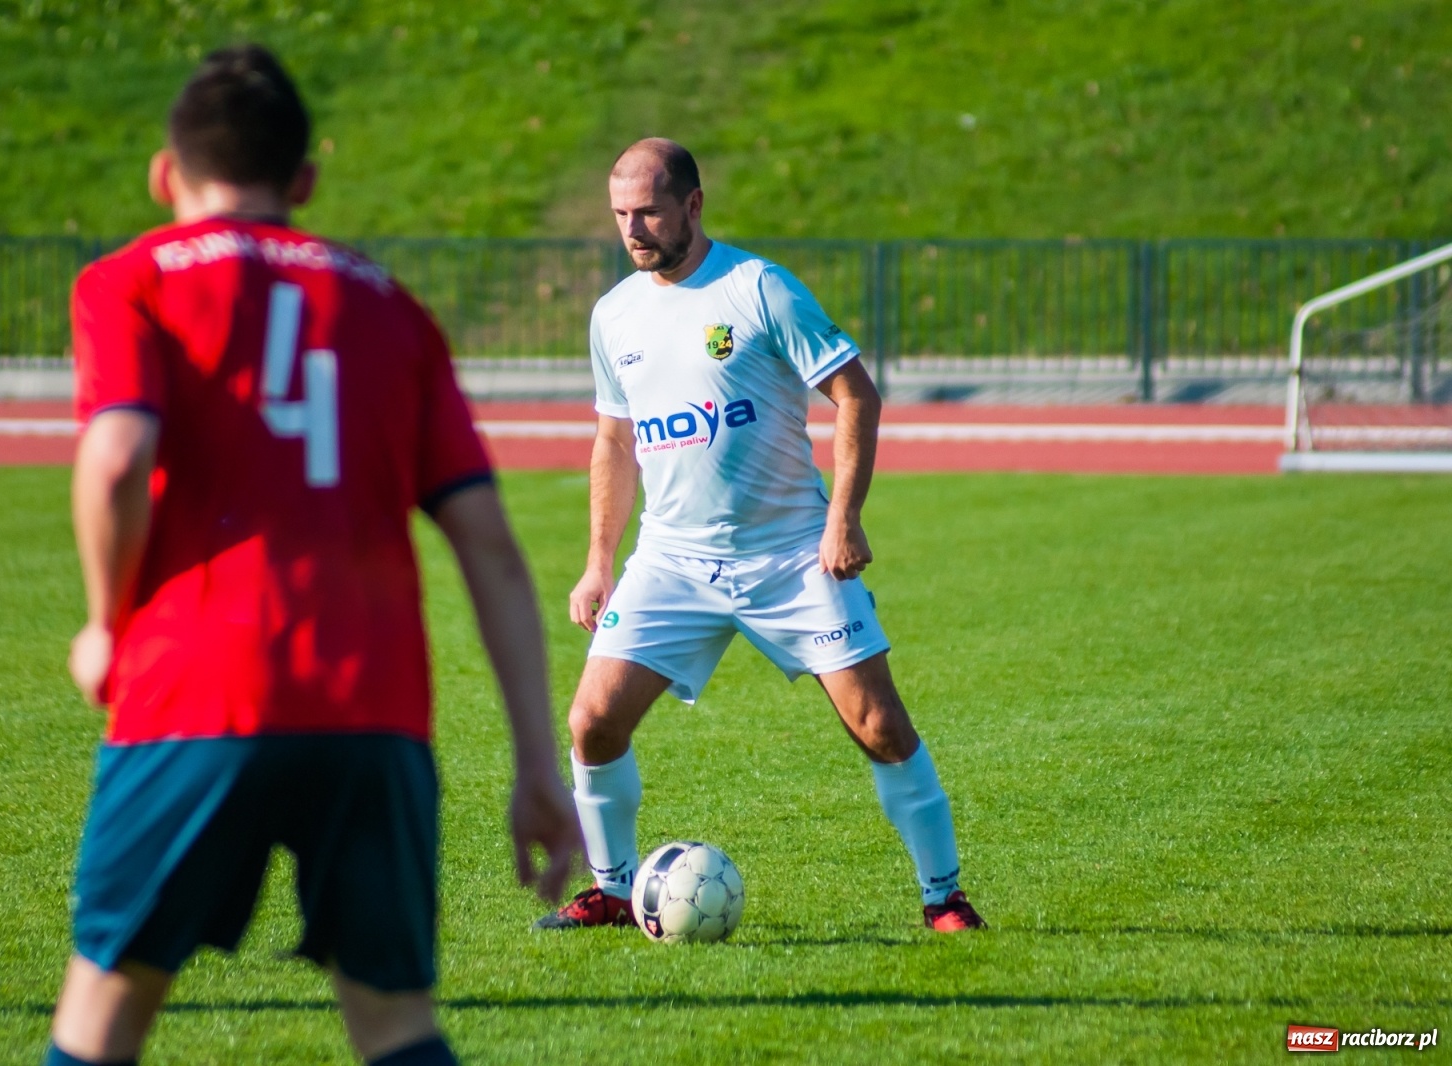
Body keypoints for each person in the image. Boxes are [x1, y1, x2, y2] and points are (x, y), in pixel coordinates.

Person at [48, 45, 580, 1066]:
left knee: (104, 1016)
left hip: (193, 695)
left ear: (166, 175)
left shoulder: (130, 282)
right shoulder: (394, 307)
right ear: (304, 182)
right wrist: (532, 766)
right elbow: (492, 550)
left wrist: (106, 627)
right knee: (394, 1024)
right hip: (372, 713)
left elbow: (116, 457)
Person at [532, 139, 984, 934]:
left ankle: (943, 897)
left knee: (879, 725)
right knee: (592, 721)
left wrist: (842, 517)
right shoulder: (615, 315)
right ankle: (610, 888)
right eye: (619, 215)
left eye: (648, 212)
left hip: (790, 554)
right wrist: (598, 563)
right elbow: (612, 440)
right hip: (672, 559)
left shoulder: (757, 288)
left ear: (693, 206)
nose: (632, 230)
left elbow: (856, 395)